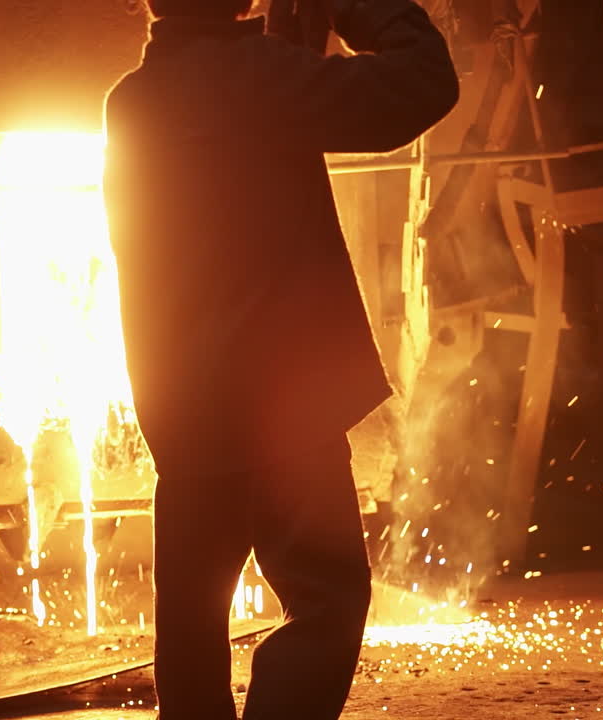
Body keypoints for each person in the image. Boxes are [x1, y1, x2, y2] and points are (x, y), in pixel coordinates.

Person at [102, 0, 457, 717]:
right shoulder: (261, 81)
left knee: (193, 634)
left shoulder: (133, 101)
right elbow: (424, 82)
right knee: (327, 600)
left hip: (184, 411)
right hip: (281, 413)